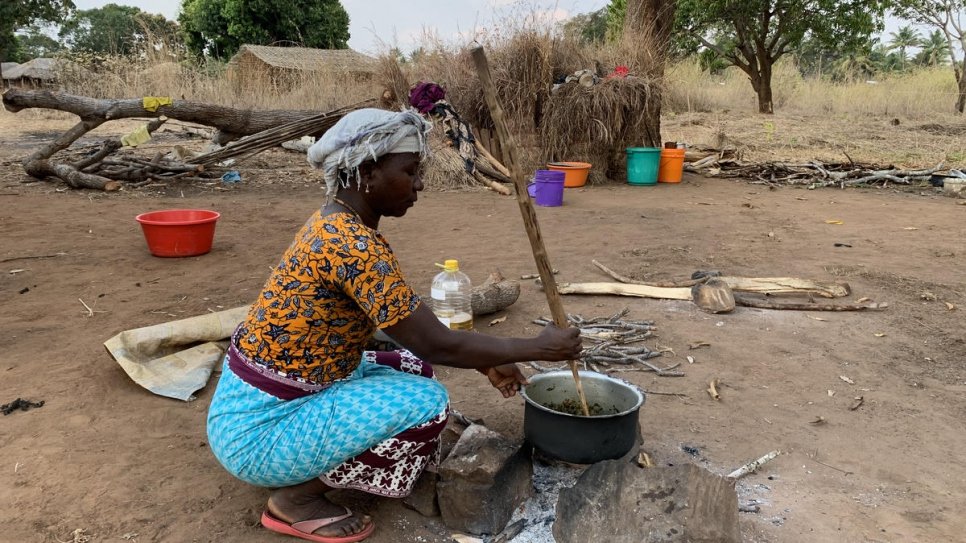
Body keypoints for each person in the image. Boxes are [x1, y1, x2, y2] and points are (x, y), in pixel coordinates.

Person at [206, 108, 582, 543]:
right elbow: (436, 343)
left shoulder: (336, 224)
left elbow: (412, 334)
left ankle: (313, 463)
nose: (419, 184)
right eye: (410, 171)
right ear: (366, 170)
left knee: (413, 367)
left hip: (262, 402)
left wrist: (484, 358)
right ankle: (296, 500)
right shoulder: (352, 246)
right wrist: (540, 347)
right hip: (259, 434)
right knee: (426, 405)